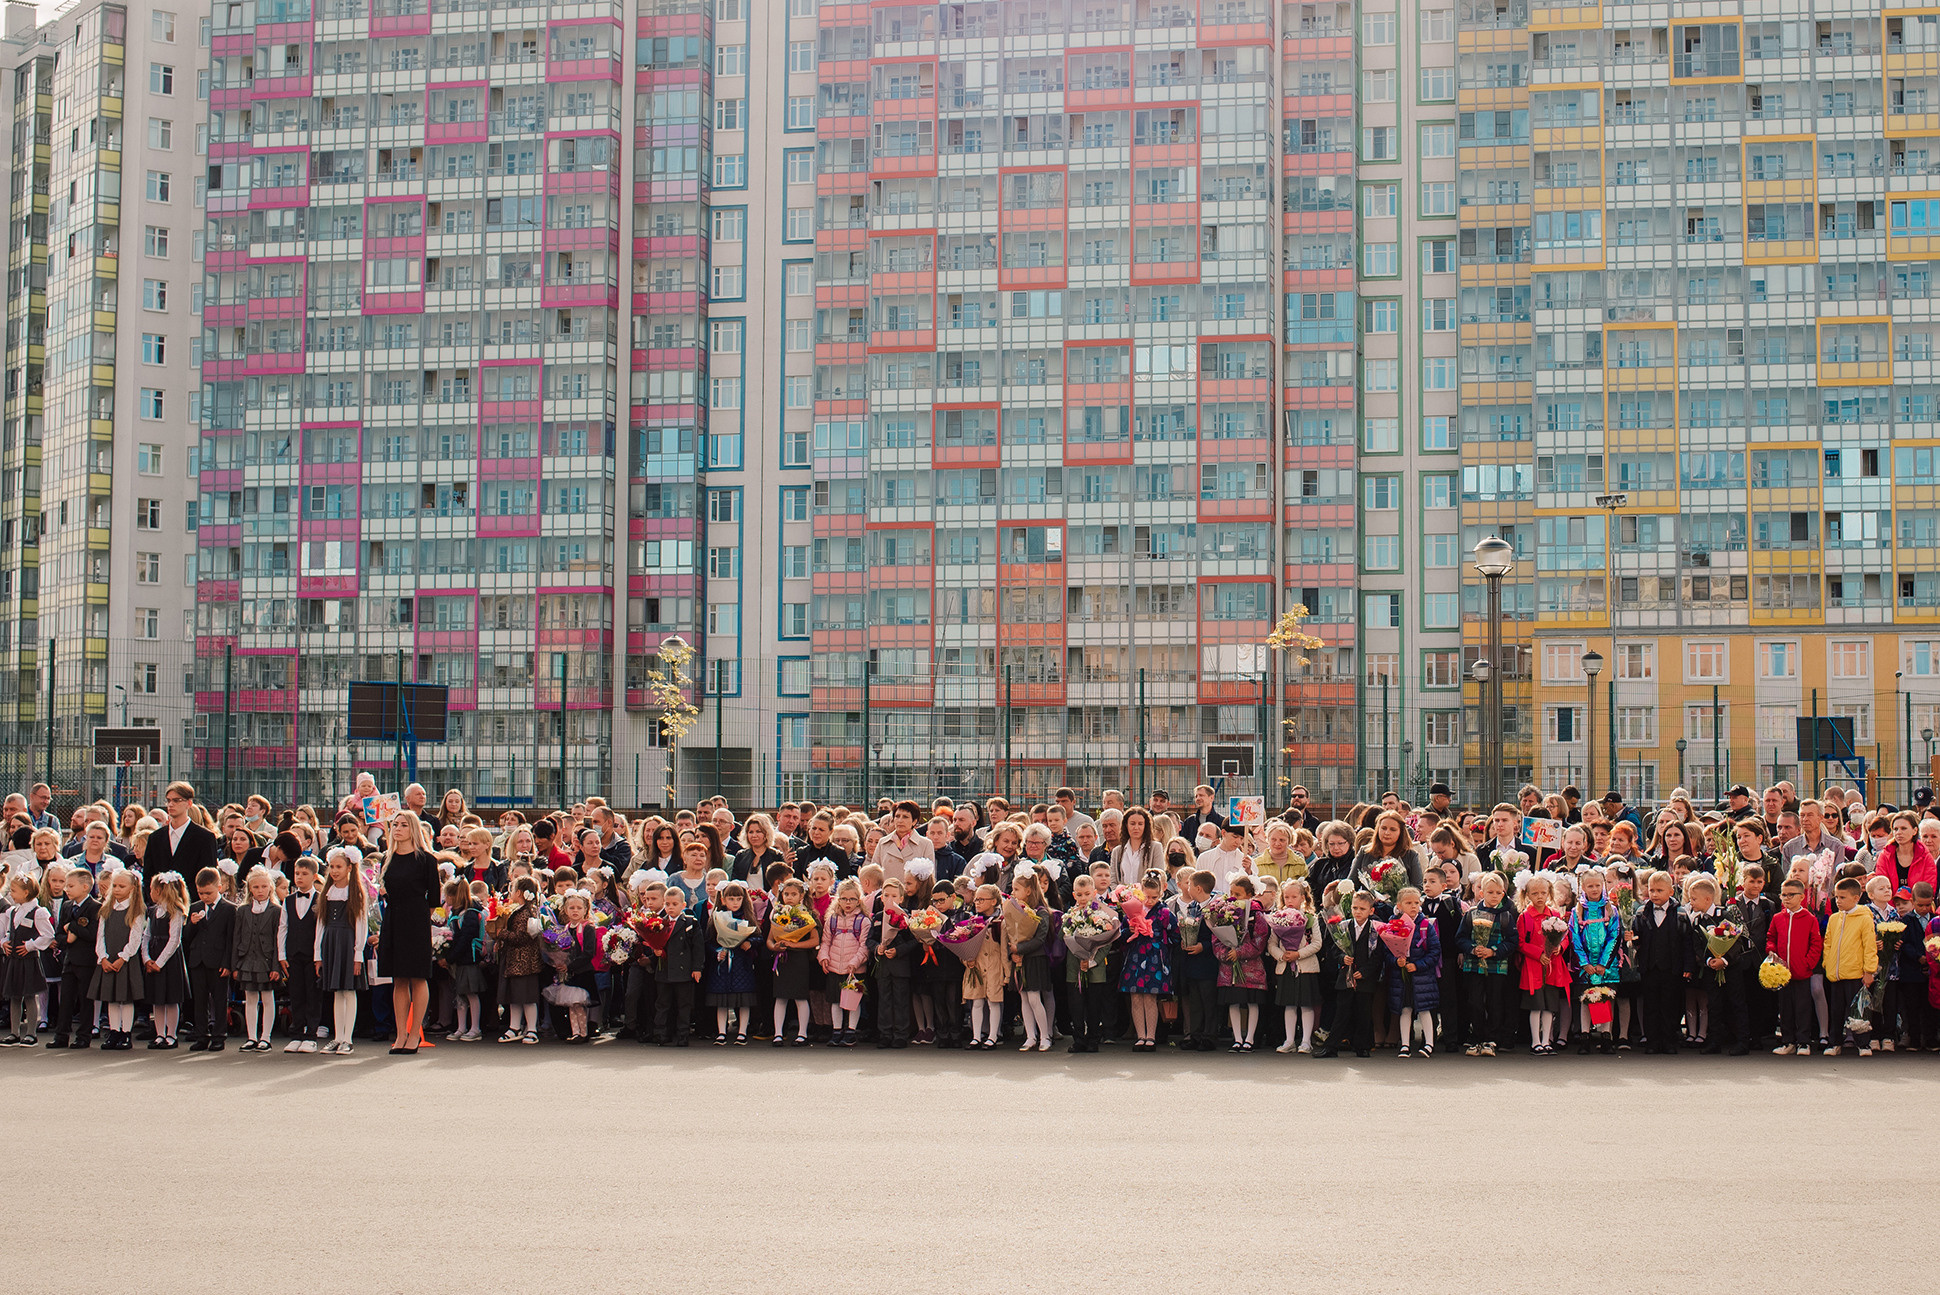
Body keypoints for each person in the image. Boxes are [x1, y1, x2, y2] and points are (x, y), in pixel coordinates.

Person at [376, 810, 438, 1054]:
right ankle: (400, 1033)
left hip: (416, 920)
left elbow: (434, 899)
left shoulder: (426, 860)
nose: (397, 829)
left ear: (413, 829)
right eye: (395, 825)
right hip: (393, 918)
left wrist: (418, 917)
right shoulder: (387, 858)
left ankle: (414, 1034)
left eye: (403, 825)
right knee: (398, 978)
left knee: (417, 977)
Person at [1821, 876, 1878, 1056]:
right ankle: (1834, 1042)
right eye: (1836, 897)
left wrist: (1869, 971)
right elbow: (1828, 943)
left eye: (1842, 897)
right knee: (1836, 1011)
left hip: (1855, 973)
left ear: (1856, 897)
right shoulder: (1834, 919)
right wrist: (1827, 963)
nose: (1838, 901)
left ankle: (1863, 1044)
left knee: (1858, 1011)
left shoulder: (1864, 919)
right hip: (1836, 974)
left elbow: (1870, 946)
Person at [1382, 886, 1441, 1058]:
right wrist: (1396, 961)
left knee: (1424, 1009)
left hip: (1422, 976)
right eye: (1408, 903)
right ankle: (1405, 1044)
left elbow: (1435, 951)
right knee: (1405, 1009)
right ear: (1399, 906)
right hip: (1402, 976)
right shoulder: (1393, 924)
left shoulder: (1425, 925)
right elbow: (1387, 951)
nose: (1413, 906)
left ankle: (1429, 1043)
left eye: (1416, 902)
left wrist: (1418, 965)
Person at [1766, 878, 1823, 1056]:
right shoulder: (1777, 918)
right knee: (1785, 1009)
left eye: (1791, 895)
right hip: (1782, 973)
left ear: (1801, 897)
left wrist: (1807, 964)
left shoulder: (1809, 918)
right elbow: (1771, 938)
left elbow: (1816, 944)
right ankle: (1788, 1041)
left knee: (1803, 1008)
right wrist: (1771, 951)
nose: (1786, 898)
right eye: (1783, 895)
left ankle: (1803, 1042)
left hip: (1802, 973)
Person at [46, 865, 100, 1049]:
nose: (66, 889)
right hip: (69, 960)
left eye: (70, 886)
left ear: (85, 887)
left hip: (86, 961)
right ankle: (61, 1036)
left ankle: (84, 1036)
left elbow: (92, 934)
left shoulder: (95, 907)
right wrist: (67, 938)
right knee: (66, 1000)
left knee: (85, 1000)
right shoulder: (67, 906)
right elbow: (60, 934)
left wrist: (73, 927)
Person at [231, 866, 284, 1052]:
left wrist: (276, 967)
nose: (260, 890)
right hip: (247, 960)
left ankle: (266, 1037)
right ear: (249, 889)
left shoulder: (277, 911)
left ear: (270, 888)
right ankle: (251, 1037)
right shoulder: (242, 911)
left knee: (268, 998)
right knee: (250, 998)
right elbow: (236, 939)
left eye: (264, 886)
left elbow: (279, 941)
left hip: (267, 961)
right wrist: (235, 965)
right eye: (255, 887)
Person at [183, 867, 235, 1053]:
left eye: (208, 893)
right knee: (200, 1000)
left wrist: (228, 964)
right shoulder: (195, 907)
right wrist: (192, 924)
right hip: (198, 960)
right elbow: (186, 937)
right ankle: (201, 1035)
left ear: (219, 888)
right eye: (200, 893)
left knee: (220, 1000)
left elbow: (230, 939)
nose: (204, 897)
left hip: (218, 961)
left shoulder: (229, 909)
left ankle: (219, 1036)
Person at [0, 870, 52, 1047]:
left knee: (29, 995)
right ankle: (14, 1033)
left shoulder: (38, 912)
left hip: (29, 960)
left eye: (14, 891)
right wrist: (4, 942)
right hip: (14, 959)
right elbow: (8, 932)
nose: (11, 894)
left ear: (26, 892)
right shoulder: (13, 911)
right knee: (14, 996)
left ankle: (31, 1034)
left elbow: (48, 935)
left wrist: (30, 945)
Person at [141, 871, 190, 1050]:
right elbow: (146, 935)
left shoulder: (175, 911)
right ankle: (159, 1034)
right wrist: (147, 959)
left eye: (151, 889)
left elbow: (174, 940)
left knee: (171, 999)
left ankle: (171, 1035)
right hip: (153, 956)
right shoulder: (152, 911)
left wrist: (159, 963)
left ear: (159, 890)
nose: (150, 893)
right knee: (157, 999)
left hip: (169, 961)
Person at [651, 884, 705, 1047]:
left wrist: (697, 968)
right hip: (665, 969)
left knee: (684, 1004)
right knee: (662, 1004)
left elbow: (698, 948)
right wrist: (656, 951)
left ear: (683, 905)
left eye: (675, 904)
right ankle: (661, 1034)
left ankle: (683, 1035)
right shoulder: (659, 923)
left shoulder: (689, 922)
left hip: (684, 970)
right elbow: (654, 942)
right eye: (667, 904)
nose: (670, 907)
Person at [145, 783, 220, 893]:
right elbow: (148, 875)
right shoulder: (155, 838)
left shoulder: (205, 837)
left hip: (192, 900)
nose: (171, 804)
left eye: (176, 800)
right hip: (160, 900)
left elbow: (208, 876)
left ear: (189, 803)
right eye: (168, 800)